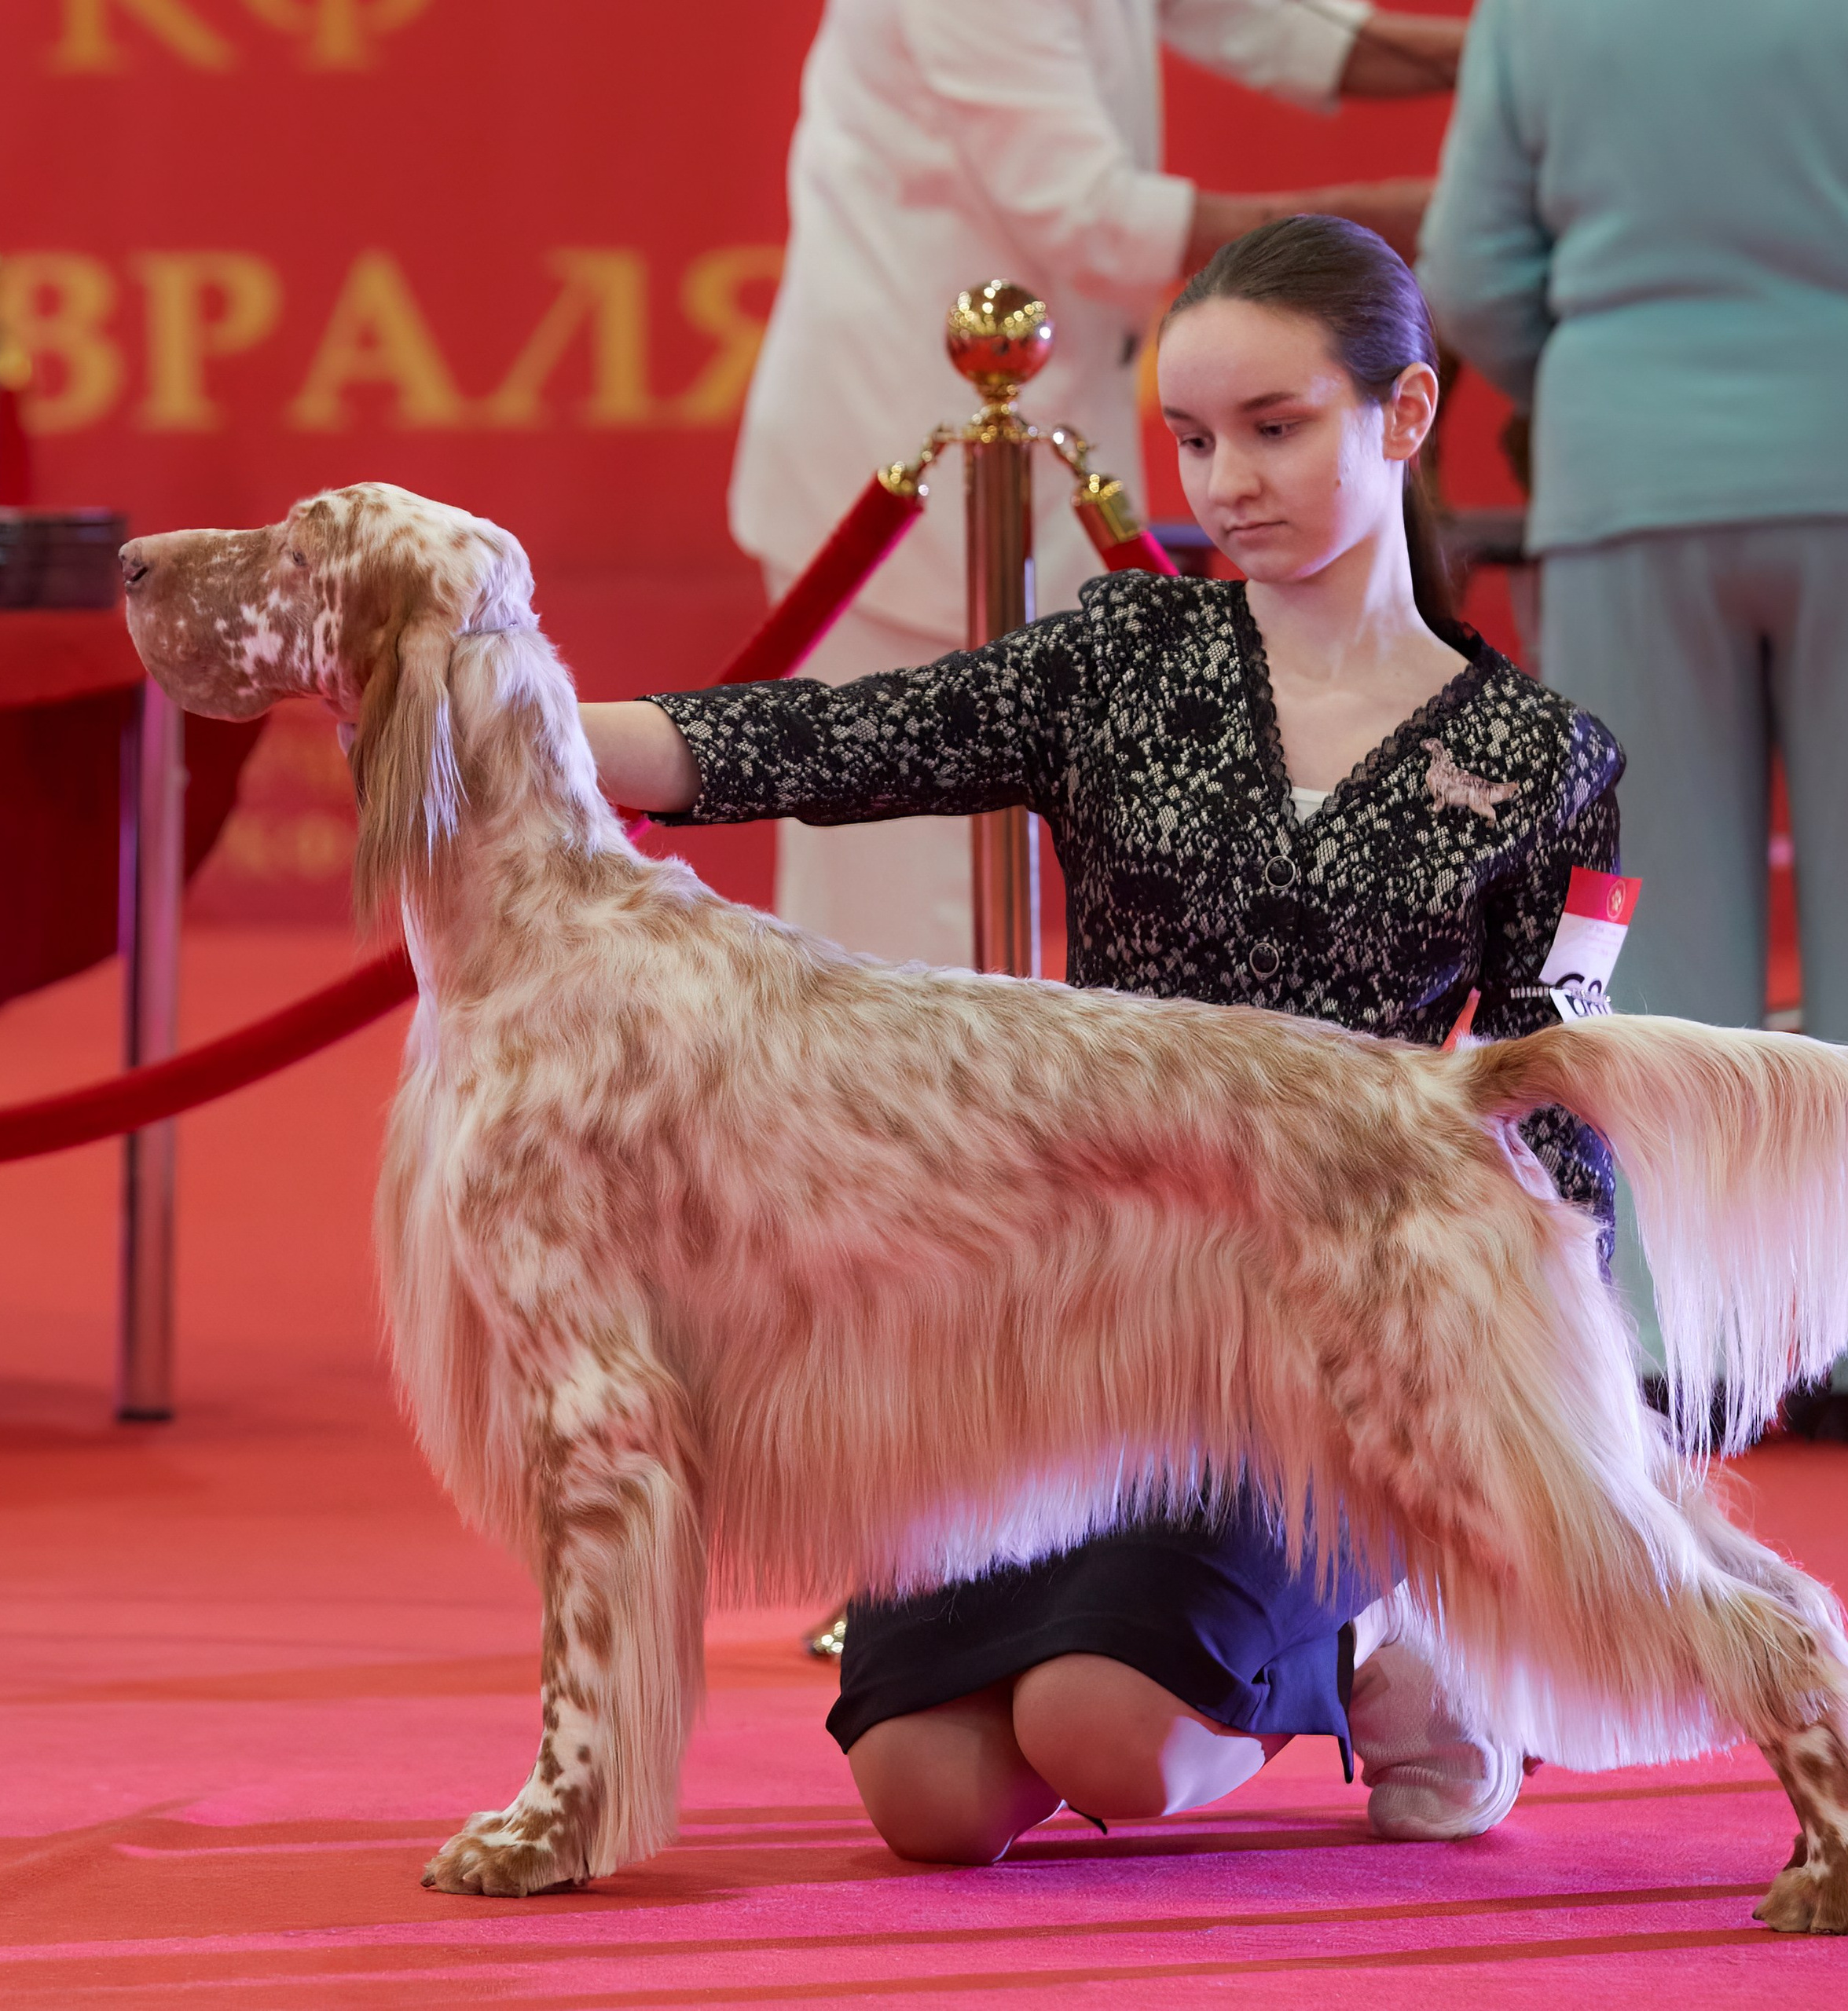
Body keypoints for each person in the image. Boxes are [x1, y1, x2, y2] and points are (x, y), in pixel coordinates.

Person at [584, 215, 1622, 1857]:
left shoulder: (1544, 754)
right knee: (925, 1801)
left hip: (1317, 1345)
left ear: (1406, 412)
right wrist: (510, 717)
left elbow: (1558, 1087)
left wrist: (1542, 1414)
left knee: (1108, 1737)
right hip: (1050, 1318)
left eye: (1273, 427)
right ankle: (1272, 1636)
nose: (1225, 483)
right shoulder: (1121, 656)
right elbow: (826, 737)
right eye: (1192, 440)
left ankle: (1392, 1625)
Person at [735, 0, 1468, 968]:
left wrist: (1502, 54)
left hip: (1044, 450)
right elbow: (1094, 215)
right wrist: (1417, 221)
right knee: (896, 928)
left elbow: (1268, 19)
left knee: (1038, 908)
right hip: (910, 461)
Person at [1414, 0, 1848, 1405]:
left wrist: (1618, 382)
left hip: (1628, 470)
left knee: (1644, 932)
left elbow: (1472, 270)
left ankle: (1669, 1346)